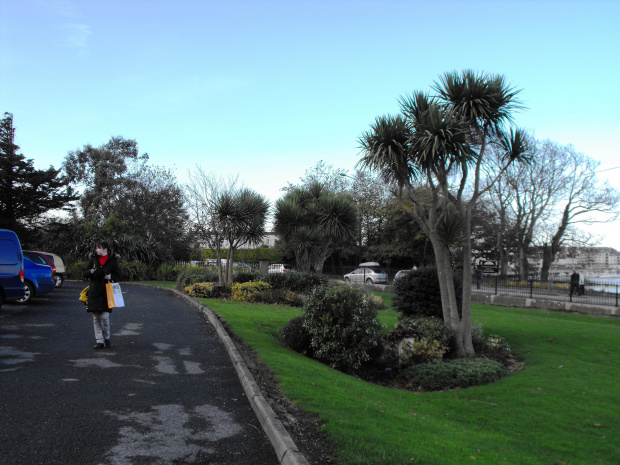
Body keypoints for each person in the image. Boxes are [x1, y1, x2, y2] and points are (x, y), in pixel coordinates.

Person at [83, 241, 121, 349]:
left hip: (106, 291)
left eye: (98, 248)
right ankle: (99, 341)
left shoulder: (112, 261)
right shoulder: (93, 259)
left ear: (105, 249)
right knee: (96, 318)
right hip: (94, 290)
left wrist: (111, 277)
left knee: (104, 317)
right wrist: (90, 272)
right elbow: (84, 273)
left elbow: (118, 275)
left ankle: (107, 338)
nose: (96, 250)